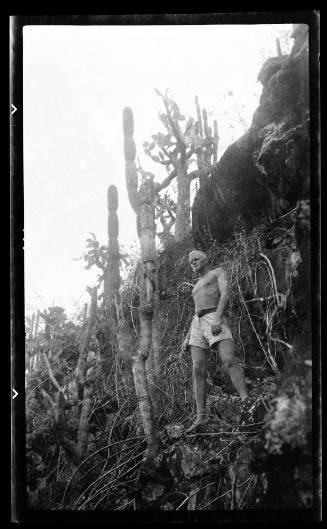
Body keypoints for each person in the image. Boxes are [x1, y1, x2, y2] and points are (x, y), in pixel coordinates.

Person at [182, 250, 248, 432]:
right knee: (197, 370)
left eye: (196, 259)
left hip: (214, 316)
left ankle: (247, 402)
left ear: (206, 259)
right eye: (190, 261)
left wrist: (218, 317)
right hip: (197, 324)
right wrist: (188, 336)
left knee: (228, 360)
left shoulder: (217, 272)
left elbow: (225, 293)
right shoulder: (195, 287)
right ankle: (201, 417)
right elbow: (196, 312)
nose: (193, 263)